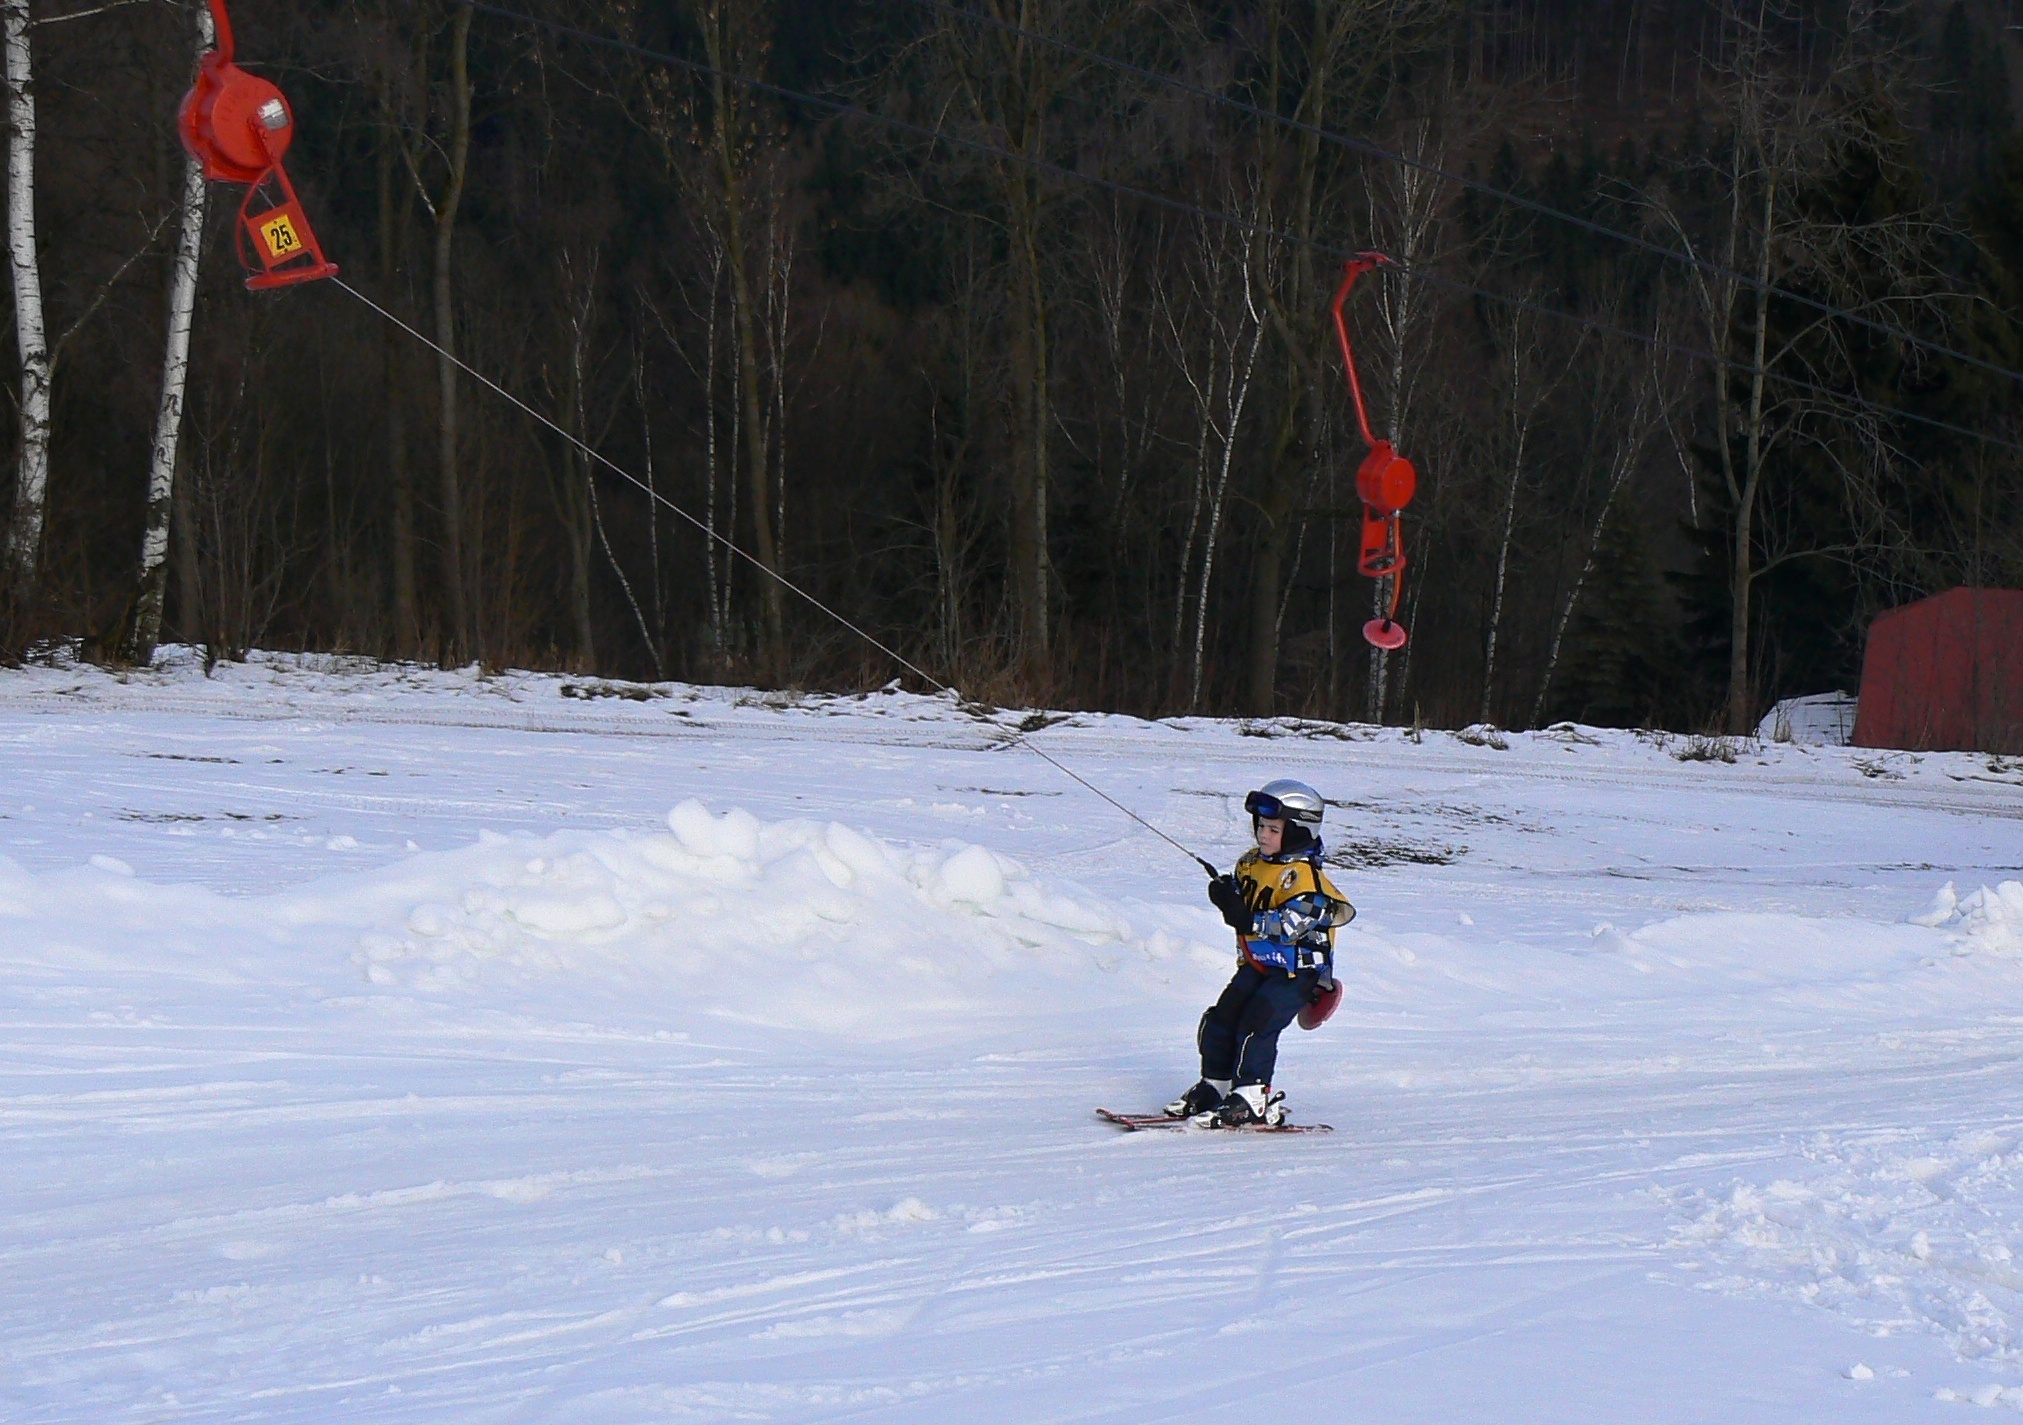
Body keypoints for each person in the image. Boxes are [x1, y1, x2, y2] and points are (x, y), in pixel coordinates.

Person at [1167, 778, 1354, 1127]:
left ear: (1299, 831)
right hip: (1257, 966)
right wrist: (1225, 894)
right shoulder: (1252, 863)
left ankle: (1252, 1095)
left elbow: (1291, 924)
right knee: (1220, 1018)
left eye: (1273, 828)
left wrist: (1248, 918)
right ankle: (1216, 1086)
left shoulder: (1308, 881)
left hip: (1296, 972)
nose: (1263, 835)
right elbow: (1241, 895)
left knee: (1258, 1023)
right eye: (1261, 827)